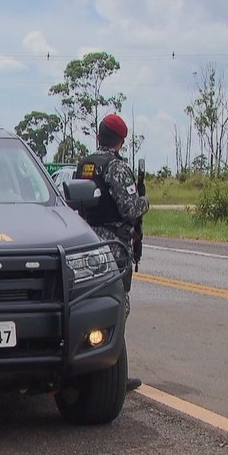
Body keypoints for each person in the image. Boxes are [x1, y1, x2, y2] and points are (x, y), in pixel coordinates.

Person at [74, 114, 150, 391]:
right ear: (120, 141)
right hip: (113, 245)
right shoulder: (117, 168)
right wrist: (145, 200)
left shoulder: (84, 165)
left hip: (86, 242)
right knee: (118, 305)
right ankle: (112, 369)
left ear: (98, 136)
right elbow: (131, 209)